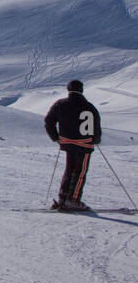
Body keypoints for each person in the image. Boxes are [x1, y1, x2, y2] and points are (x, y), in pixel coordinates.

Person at [44, 79, 102, 212]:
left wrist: (55, 137)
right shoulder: (89, 106)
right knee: (80, 172)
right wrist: (96, 139)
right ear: (81, 90)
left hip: (67, 142)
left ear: (68, 90)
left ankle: (63, 199)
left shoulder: (60, 104)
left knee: (69, 170)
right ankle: (73, 200)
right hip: (85, 144)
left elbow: (48, 121)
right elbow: (96, 124)